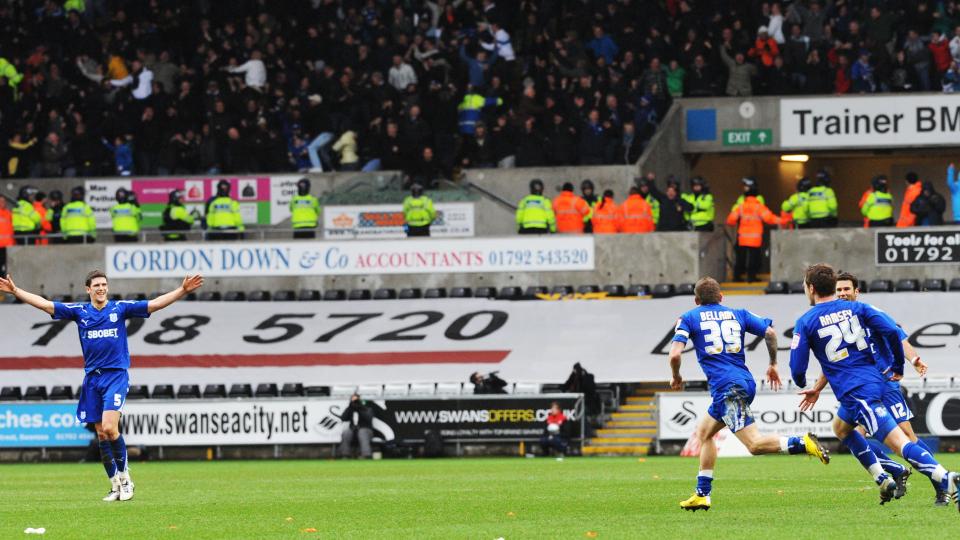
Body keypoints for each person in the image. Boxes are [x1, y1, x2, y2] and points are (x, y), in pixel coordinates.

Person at [0, 270, 204, 501]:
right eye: (96, 285)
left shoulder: (119, 308)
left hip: (115, 376)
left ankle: (127, 480)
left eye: (104, 284)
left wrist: (183, 290)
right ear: (88, 289)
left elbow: (155, 304)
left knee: (109, 427)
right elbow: (46, 305)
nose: (101, 288)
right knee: (100, 434)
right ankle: (115, 485)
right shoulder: (80, 312)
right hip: (92, 379)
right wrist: (16, 291)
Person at [790, 263, 958, 505]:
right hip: (869, 382)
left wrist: (907, 362)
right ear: (833, 289)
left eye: (848, 288)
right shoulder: (859, 310)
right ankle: (885, 475)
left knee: (903, 440)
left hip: (865, 388)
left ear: (811, 288)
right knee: (841, 429)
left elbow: (897, 335)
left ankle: (946, 480)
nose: (844, 292)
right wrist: (817, 387)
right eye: (840, 289)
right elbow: (885, 335)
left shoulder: (809, 320)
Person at [671, 277, 829, 512]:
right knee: (704, 433)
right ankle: (702, 494)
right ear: (721, 297)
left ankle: (802, 443)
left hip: (728, 389)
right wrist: (773, 363)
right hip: (742, 382)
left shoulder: (689, 317)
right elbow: (770, 333)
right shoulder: (739, 313)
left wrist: (676, 376)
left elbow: (675, 355)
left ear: (696, 300)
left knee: (754, 445)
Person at [726, 178, 779, 282]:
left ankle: (737, 277)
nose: (744, 188)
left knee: (741, 257)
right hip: (755, 236)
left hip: (743, 236)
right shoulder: (758, 203)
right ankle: (751, 277)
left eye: (746, 186)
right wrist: (783, 220)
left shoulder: (741, 204)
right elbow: (768, 218)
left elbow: (731, 220)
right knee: (754, 258)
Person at [337, 393, 380, 459]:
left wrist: (360, 408)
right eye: (353, 400)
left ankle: (366, 454)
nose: (355, 402)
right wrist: (350, 407)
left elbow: (369, 418)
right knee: (346, 433)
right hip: (353, 429)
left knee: (362, 432)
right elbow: (343, 418)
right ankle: (345, 454)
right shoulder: (350, 408)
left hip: (366, 429)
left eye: (357, 400)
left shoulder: (366, 408)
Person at [0, 197, 11, 275]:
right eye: (1, 201)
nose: (3, 203)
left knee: (7, 267)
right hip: (0, 245)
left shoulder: (9, 213)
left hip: (8, 245)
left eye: (4, 201)